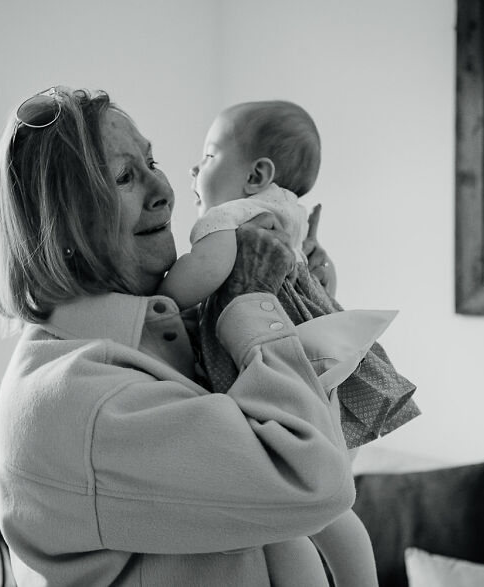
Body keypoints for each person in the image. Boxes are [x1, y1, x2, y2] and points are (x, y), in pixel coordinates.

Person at [0, 86, 357, 586]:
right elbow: (316, 483)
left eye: (152, 162)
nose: (164, 190)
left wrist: (304, 301)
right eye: (124, 176)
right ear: (62, 224)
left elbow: (336, 451)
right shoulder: (86, 400)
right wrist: (252, 297)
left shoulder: (173, 330)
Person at [159, 100, 421, 587]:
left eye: (209, 155)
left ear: (256, 174)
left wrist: (161, 294)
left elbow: (205, 272)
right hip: (314, 366)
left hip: (272, 368)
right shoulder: (289, 215)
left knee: (300, 508)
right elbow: (315, 286)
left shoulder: (232, 217)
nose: (195, 168)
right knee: (325, 509)